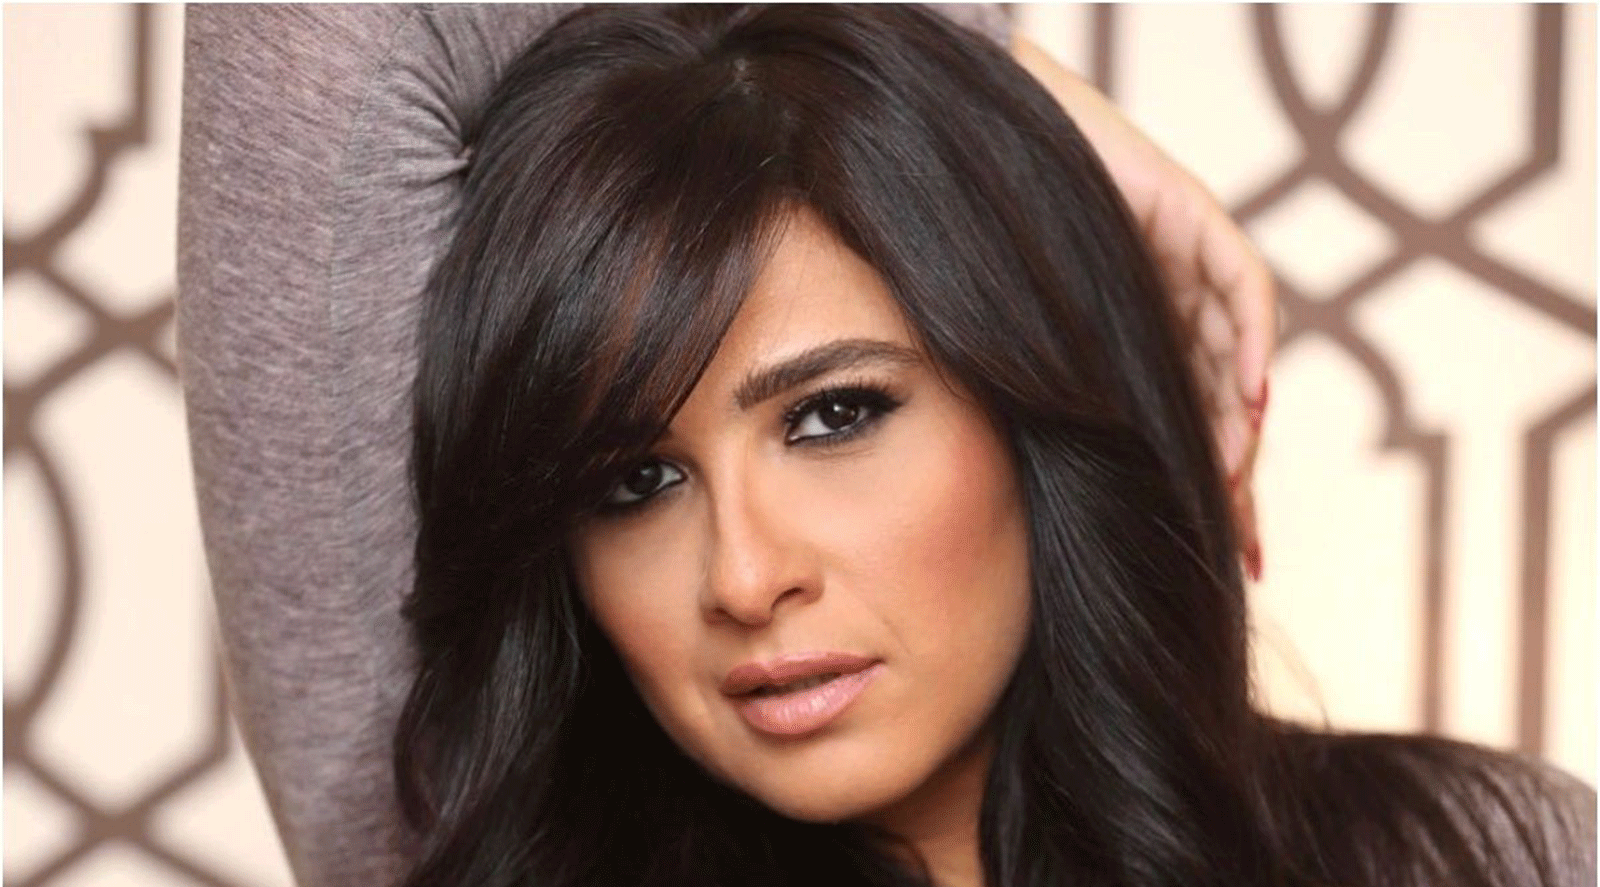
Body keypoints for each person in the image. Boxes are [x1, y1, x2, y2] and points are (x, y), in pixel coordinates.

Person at [393, 5, 1592, 887]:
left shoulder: (1473, 854)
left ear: (1037, 397)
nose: (745, 578)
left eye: (834, 414)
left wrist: (970, 97)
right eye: (634, 480)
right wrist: (996, 48)